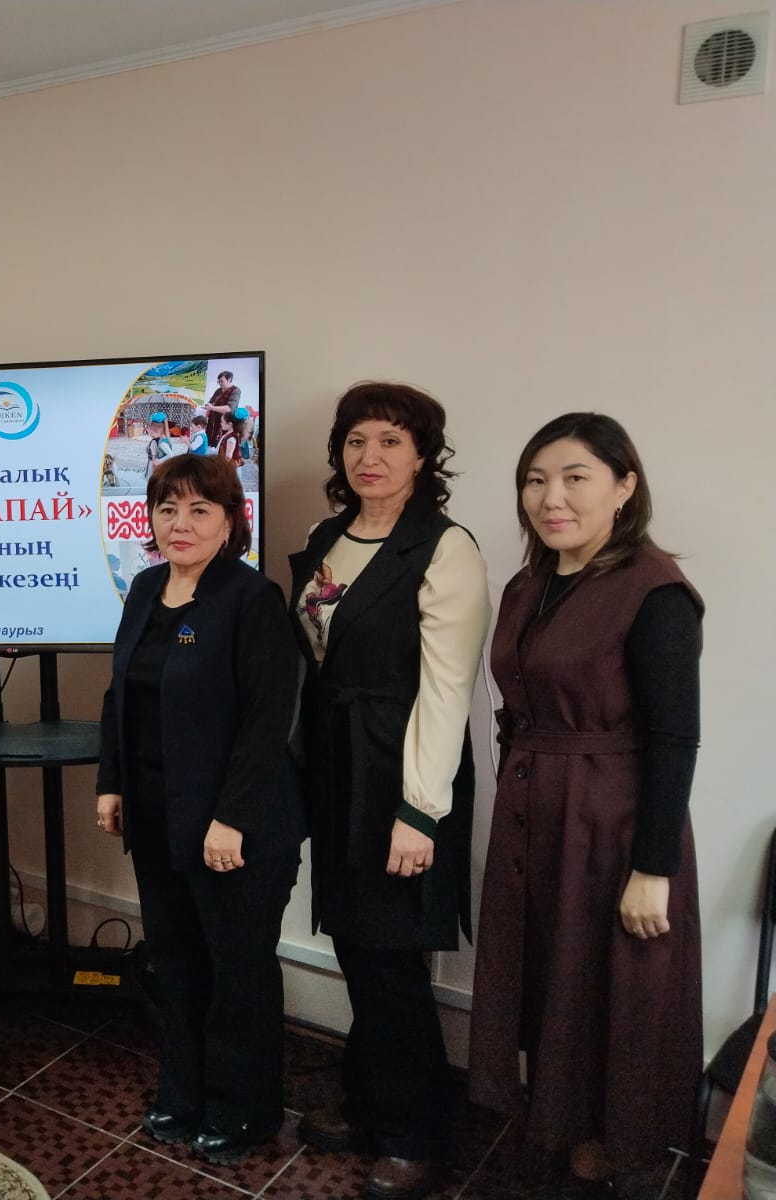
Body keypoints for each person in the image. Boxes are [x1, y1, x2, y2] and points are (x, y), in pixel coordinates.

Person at [470, 413, 703, 1194]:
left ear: (624, 486)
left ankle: (608, 1151)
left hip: (612, 825)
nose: (552, 498)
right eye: (536, 481)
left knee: (613, 990)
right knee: (549, 979)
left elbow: (674, 738)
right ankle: (556, 1129)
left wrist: (654, 868)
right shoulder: (528, 585)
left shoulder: (655, 591)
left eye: (575, 478)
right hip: (534, 818)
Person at [286, 381, 490, 1200]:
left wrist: (420, 810)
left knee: (391, 956)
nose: (370, 457)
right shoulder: (325, 537)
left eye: (391, 441)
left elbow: (447, 689)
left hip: (401, 769)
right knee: (356, 944)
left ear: (423, 455)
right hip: (337, 765)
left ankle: (417, 1136)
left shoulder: (444, 547)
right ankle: (371, 1104)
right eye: (356, 440)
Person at [96, 453, 301, 1164]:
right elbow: (120, 694)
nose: (179, 523)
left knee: (237, 972)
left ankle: (245, 1109)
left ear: (230, 520)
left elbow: (267, 722)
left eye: (199, 510)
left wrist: (232, 819)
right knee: (177, 963)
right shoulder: (145, 587)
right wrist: (112, 782)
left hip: (234, 828)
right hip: (157, 818)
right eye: (167, 508)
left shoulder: (252, 598)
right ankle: (183, 1093)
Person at [204, 369, 241, 446]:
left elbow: (230, 409)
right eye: (218, 381)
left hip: (224, 423)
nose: (220, 383)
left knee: (221, 446)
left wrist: (212, 408)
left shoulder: (235, 391)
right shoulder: (218, 390)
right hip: (212, 422)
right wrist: (207, 406)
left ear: (229, 379)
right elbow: (211, 402)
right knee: (210, 443)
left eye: (222, 381)